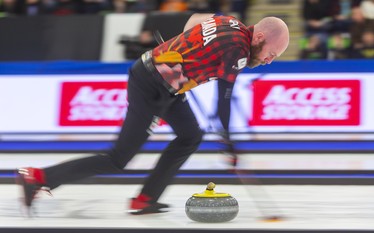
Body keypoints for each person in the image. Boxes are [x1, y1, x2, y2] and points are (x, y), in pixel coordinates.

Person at [17, 13, 289, 215]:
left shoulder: (228, 21)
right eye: (271, 54)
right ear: (260, 38)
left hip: (164, 81)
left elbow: (192, 21)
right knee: (117, 159)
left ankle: (146, 198)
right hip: (151, 86)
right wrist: (228, 142)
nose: (269, 60)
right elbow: (223, 103)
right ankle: (38, 177)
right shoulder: (239, 51)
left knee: (190, 135)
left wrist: (185, 55)